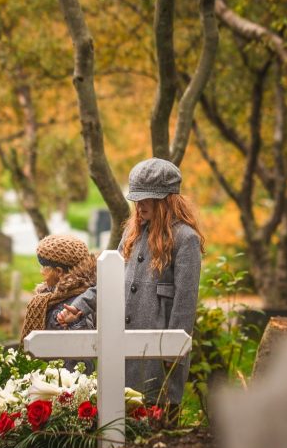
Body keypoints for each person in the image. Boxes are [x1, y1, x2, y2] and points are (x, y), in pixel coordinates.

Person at [59, 158, 204, 408]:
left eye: (147, 198)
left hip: (158, 352)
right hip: (121, 343)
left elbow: (185, 303)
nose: (139, 205)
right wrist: (80, 306)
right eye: (136, 198)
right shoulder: (131, 232)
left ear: (167, 200)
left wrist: (173, 353)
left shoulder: (185, 239)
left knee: (154, 417)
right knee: (118, 415)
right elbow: (110, 280)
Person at [20, 234, 97, 370]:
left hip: (63, 384)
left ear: (59, 271)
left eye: (44, 267)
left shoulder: (75, 305)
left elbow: (82, 355)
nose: (41, 272)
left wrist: (75, 321)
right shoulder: (52, 297)